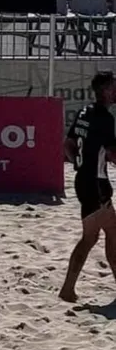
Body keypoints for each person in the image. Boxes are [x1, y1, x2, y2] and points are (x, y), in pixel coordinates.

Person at [59, 71, 116, 302]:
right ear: (105, 90)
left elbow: (68, 144)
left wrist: (79, 164)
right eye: (114, 86)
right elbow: (113, 154)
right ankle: (67, 289)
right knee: (97, 236)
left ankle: (68, 289)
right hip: (96, 184)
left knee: (102, 234)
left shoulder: (84, 112)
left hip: (85, 180)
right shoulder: (104, 118)